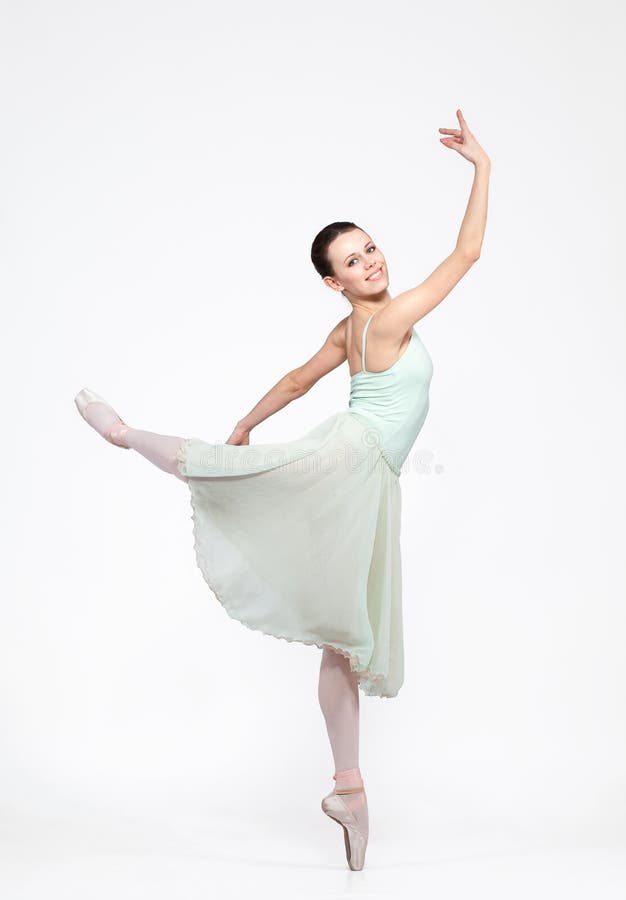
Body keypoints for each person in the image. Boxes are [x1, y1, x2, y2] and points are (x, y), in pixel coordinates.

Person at [74, 109, 490, 870]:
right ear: (334, 283)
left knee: (342, 635)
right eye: (352, 262)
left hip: (371, 484)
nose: (371, 263)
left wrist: (245, 419)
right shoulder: (390, 318)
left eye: (371, 249)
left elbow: (299, 381)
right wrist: (482, 167)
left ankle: (349, 790)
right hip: (353, 460)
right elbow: (466, 253)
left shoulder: (350, 330)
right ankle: (128, 434)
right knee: (242, 485)